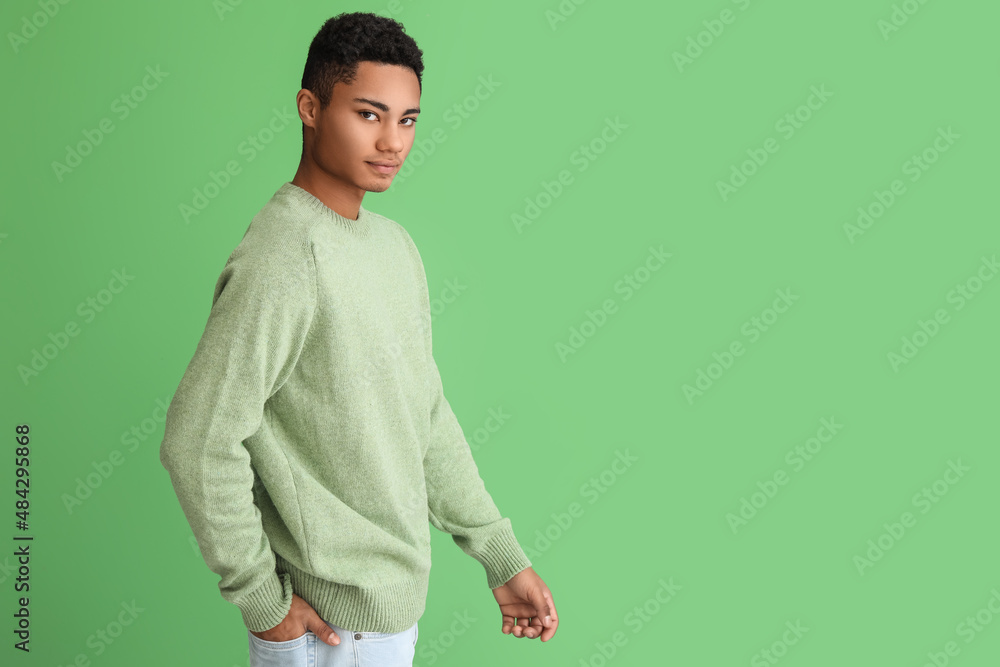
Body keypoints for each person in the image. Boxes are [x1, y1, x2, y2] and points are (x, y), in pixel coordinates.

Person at [158, 11, 558, 666]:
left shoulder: (395, 248)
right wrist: (264, 598)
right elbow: (198, 439)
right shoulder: (284, 256)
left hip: (390, 621)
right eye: (369, 114)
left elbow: (423, 419)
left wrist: (498, 554)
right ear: (310, 107)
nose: (392, 141)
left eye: (407, 119)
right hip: (328, 632)